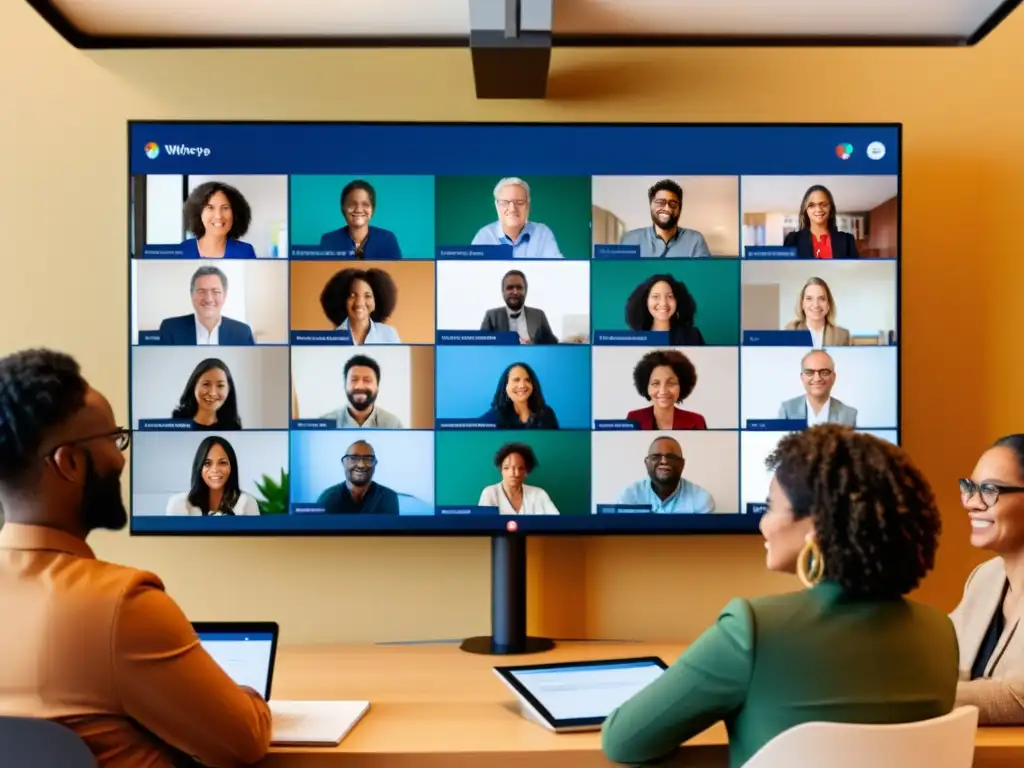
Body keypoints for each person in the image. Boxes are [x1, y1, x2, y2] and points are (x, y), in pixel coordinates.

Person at [602, 425, 957, 768]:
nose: (763, 524)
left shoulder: (753, 630)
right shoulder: (940, 632)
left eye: (771, 507)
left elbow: (624, 741)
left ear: (816, 526)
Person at [0, 348, 271, 767]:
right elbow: (243, 741)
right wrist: (247, 696)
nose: (121, 457)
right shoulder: (121, 605)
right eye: (113, 438)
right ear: (69, 463)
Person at [951, 434, 1024, 724]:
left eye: (990, 490)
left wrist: (910, 697)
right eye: (969, 487)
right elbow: (941, 657)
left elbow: (1018, 697)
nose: (972, 503)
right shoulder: (985, 578)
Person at [613, 436, 714, 514]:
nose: (664, 461)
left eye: (671, 457)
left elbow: (700, 540)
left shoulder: (700, 499)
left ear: (682, 464)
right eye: (656, 456)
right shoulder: (630, 496)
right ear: (646, 463)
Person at [158, 266, 256, 346]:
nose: (209, 299)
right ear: (192, 295)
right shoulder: (170, 329)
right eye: (201, 291)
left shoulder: (242, 333)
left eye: (216, 292)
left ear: (225, 295)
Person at [166, 436, 259, 516]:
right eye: (207, 463)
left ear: (232, 467)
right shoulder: (179, 503)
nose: (215, 470)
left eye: (222, 463)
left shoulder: (247, 502)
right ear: (199, 468)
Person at [471, 177, 563, 259]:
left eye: (519, 202)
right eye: (505, 202)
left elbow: (557, 271)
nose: (512, 209)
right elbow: (474, 273)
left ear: (527, 206)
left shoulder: (542, 234)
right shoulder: (484, 236)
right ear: (497, 206)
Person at [619, 178, 712, 258]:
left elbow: (703, 276)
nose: (667, 208)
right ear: (650, 205)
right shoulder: (631, 240)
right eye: (660, 202)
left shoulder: (695, 240)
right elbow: (622, 274)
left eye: (673, 204)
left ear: (680, 208)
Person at [319, 179, 402, 259]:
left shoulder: (388, 239)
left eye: (365, 204)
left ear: (372, 209)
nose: (358, 209)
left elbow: (397, 271)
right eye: (352, 204)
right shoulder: (328, 241)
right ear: (343, 208)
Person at [626, 349, 707, 430]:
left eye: (671, 383)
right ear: (646, 386)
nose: (663, 391)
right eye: (655, 383)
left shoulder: (697, 421)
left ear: (681, 385)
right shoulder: (634, 418)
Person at [319, 267, 401, 345]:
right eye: (353, 295)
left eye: (367, 296)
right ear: (343, 299)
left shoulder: (389, 335)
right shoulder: (331, 339)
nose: (359, 303)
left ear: (377, 300)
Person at [777, 349, 857, 427]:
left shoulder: (849, 415)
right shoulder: (787, 410)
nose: (817, 378)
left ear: (833, 377)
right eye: (809, 372)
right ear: (802, 377)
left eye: (824, 372)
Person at [317, 440, 400, 515]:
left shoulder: (387, 497)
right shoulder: (328, 497)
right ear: (344, 462)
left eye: (368, 459)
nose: (361, 465)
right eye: (353, 458)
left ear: (375, 464)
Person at [320, 354, 403, 428]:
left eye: (367, 380)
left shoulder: (393, 424)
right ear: (345, 385)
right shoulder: (325, 423)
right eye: (354, 379)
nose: (359, 386)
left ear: (377, 386)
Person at [181, 181, 257, 259]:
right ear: (198, 213)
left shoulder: (245, 252)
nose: (218, 216)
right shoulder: (183, 250)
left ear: (235, 213)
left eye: (225, 208)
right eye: (210, 208)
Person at [477, 442, 559, 515]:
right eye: (507, 468)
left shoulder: (539, 494)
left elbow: (556, 522)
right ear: (501, 470)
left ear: (526, 472)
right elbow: (483, 525)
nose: (514, 473)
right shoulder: (489, 493)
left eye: (520, 468)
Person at [479, 270, 559, 345]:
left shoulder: (539, 315)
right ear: (503, 292)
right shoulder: (491, 316)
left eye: (519, 287)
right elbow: (481, 346)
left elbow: (552, 344)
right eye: (510, 288)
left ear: (526, 291)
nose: (515, 292)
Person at [782, 184, 861, 259]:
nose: (818, 209)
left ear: (831, 208)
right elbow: (785, 270)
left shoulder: (847, 240)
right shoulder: (792, 240)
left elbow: (855, 271)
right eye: (812, 205)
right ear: (805, 210)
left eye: (823, 204)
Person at [624, 273, 705, 346]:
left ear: (677, 300)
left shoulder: (692, 336)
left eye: (670, 296)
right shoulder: (634, 339)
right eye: (655, 297)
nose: (663, 303)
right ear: (645, 301)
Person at [479, 362, 559, 429]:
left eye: (527, 380)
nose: (522, 385)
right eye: (516, 380)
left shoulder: (547, 413)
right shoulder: (493, 417)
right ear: (505, 386)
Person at [171, 357, 242, 430]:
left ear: (229, 389)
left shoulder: (233, 428)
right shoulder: (177, 425)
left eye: (220, 385)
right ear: (194, 385)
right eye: (206, 384)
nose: (212, 393)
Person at [783, 276, 851, 348]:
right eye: (809, 298)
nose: (816, 304)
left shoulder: (842, 335)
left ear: (829, 303)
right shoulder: (791, 331)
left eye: (821, 299)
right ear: (802, 303)